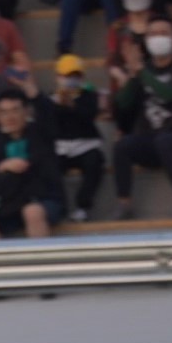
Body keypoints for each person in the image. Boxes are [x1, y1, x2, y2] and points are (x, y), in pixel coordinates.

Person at [110, 17, 172, 221]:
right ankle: (124, 203)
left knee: (166, 141)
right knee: (123, 146)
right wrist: (132, 76)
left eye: (164, 33)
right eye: (153, 34)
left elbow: (170, 95)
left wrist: (141, 72)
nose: (158, 38)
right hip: (153, 140)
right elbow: (123, 103)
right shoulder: (144, 70)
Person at [0, 87, 64, 238]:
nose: (10, 117)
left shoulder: (41, 133)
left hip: (42, 198)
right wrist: (2, 166)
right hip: (10, 201)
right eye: (4, 112)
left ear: (26, 111)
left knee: (31, 211)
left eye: (15, 110)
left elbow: (48, 114)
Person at [47, 55, 107, 221]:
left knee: (95, 162)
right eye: (67, 76)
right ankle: (59, 206)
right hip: (61, 148)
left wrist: (72, 105)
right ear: (58, 77)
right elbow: (49, 123)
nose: (72, 80)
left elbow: (88, 115)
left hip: (85, 145)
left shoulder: (90, 96)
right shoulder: (50, 99)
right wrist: (60, 104)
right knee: (51, 167)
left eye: (76, 75)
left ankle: (83, 206)